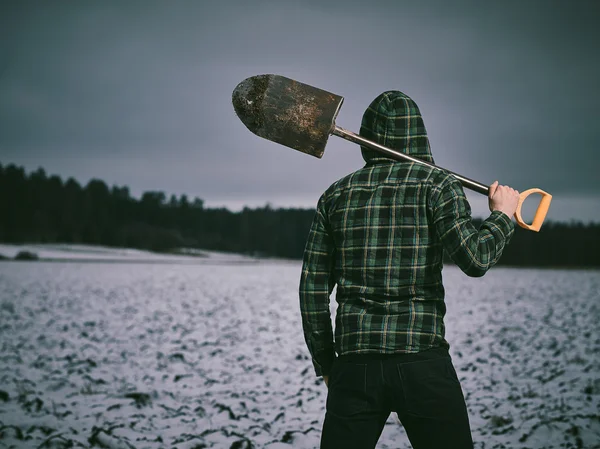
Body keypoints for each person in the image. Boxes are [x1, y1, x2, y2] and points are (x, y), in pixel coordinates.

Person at [299, 90, 520, 449]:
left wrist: (326, 362)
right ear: (418, 133)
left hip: (356, 367)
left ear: (366, 137)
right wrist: (502, 215)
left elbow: (311, 290)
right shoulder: (439, 186)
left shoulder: (336, 195)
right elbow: (476, 259)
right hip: (422, 363)